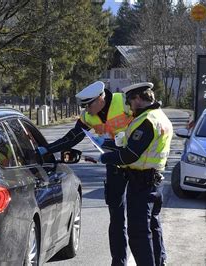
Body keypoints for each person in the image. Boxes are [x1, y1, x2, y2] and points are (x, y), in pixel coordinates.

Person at [37, 81, 133, 265]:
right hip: (114, 165)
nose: (86, 110)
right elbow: (72, 137)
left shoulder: (124, 103)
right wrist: (47, 149)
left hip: (137, 164)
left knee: (139, 219)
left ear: (100, 98)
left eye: (89, 105)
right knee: (117, 218)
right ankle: (118, 261)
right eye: (84, 106)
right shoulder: (89, 116)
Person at [98, 82, 172, 266]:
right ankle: (159, 262)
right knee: (153, 227)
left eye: (130, 101)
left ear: (138, 98)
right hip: (154, 180)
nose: (129, 105)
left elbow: (130, 155)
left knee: (139, 233)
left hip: (142, 182)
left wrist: (104, 158)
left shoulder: (147, 120)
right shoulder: (160, 116)